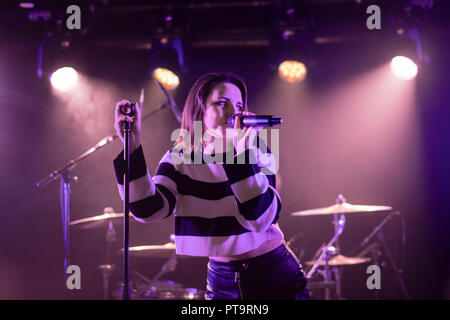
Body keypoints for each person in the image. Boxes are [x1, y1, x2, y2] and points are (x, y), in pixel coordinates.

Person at [113, 72, 309, 300]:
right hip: (221, 278)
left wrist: (240, 154)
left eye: (238, 105)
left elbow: (260, 217)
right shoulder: (181, 155)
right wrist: (132, 144)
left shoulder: (255, 148)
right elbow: (148, 209)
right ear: (200, 109)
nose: (232, 112)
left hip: (272, 273)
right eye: (221, 103)